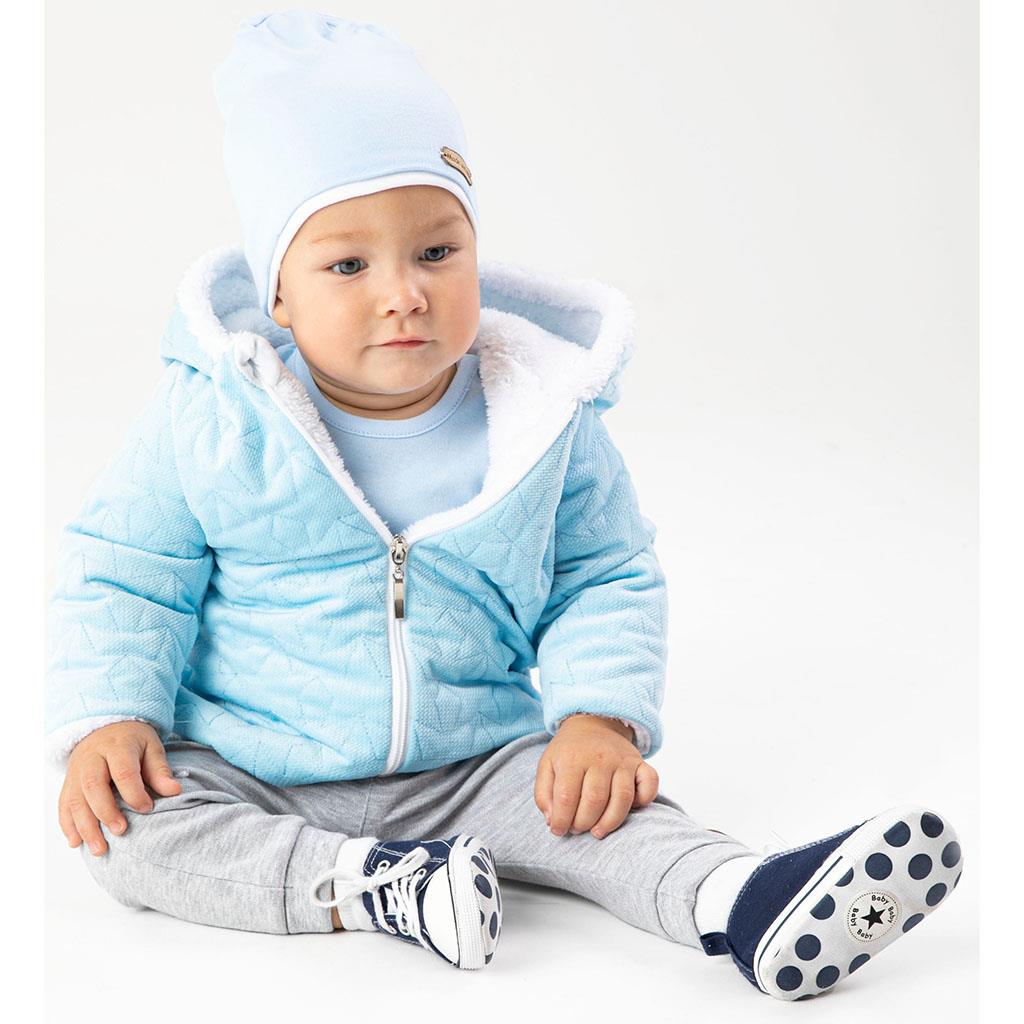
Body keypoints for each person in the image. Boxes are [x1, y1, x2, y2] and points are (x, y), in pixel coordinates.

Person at [45, 9, 963, 998]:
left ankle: (741, 898)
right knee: (123, 835)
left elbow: (602, 571)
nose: (402, 293)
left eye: (436, 253)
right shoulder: (211, 420)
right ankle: (378, 886)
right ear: (278, 294)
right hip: (249, 757)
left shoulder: (541, 419)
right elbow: (126, 569)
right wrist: (112, 716)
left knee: (602, 809)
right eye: (348, 266)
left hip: (473, 761)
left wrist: (598, 719)